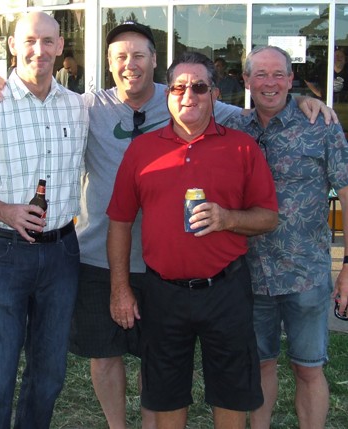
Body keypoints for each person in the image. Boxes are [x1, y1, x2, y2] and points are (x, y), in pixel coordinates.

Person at [0, 21, 338, 429]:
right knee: (118, 360)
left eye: (139, 56)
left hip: (198, 275)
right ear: (109, 64)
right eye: (121, 57)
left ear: (156, 62)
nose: (131, 65)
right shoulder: (84, 107)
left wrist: (301, 101)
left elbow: (260, 112)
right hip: (109, 258)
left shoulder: (209, 114)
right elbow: (118, 216)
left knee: (186, 369)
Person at [106, 51, 279, 429]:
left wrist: (228, 218)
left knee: (232, 391)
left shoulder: (241, 147)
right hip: (163, 292)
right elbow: (119, 221)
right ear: (167, 94)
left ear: (215, 94)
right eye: (179, 87)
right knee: (166, 393)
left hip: (226, 289)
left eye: (199, 87)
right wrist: (120, 288)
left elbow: (269, 217)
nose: (189, 95)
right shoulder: (141, 150)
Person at [0, 12, 88, 429]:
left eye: (47, 41)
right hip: (5, 252)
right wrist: (5, 210)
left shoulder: (78, 107)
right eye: (28, 41)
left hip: (63, 253)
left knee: (49, 374)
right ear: (12, 46)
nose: (38, 50)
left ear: (61, 47)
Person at [224, 45, 348, 429]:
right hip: (250, 275)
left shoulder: (321, 125)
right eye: (260, 74)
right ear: (246, 81)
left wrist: (347, 268)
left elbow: (346, 194)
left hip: (306, 274)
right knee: (260, 364)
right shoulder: (234, 129)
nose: (270, 83)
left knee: (308, 368)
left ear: (292, 80)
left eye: (279, 74)